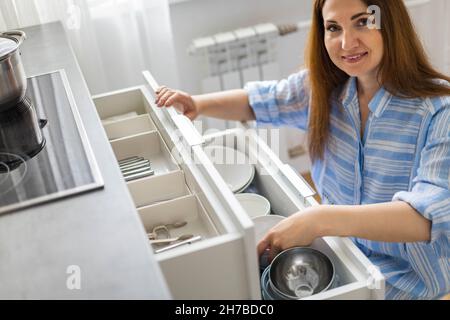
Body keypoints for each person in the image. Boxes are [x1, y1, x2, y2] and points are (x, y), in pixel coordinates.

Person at [155, 0, 450, 300]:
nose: (347, 42)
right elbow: (260, 101)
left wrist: (320, 219)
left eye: (362, 22)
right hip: (343, 257)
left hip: (409, 282)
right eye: (333, 28)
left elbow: (424, 219)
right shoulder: (323, 88)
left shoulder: (439, 111)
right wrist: (197, 104)